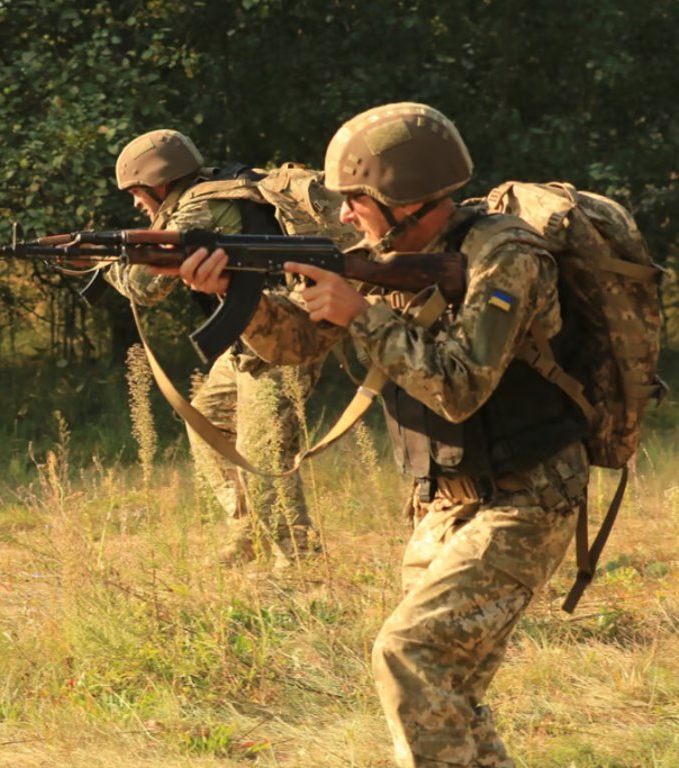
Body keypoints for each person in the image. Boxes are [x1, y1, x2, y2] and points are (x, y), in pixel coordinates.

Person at [174, 102, 589, 767]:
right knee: (446, 689)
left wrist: (362, 314)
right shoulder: (384, 255)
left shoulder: (505, 256)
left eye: (357, 202)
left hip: (527, 495)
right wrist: (234, 296)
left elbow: (459, 388)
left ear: (409, 201)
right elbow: (298, 345)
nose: (343, 217)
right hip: (444, 501)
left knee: (410, 656)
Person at [105, 129, 323, 568]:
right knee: (206, 419)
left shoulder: (201, 206)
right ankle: (248, 531)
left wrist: (103, 262)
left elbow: (146, 289)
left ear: (158, 184)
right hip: (251, 331)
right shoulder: (207, 193)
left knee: (262, 450)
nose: (135, 203)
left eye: (136, 192)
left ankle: (297, 561)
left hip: (284, 331)